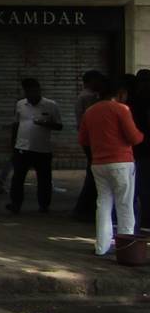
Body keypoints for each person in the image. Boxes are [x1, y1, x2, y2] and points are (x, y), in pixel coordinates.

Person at [79, 73, 143, 257]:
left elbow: (83, 139)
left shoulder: (90, 111)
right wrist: (142, 136)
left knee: (103, 204)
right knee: (124, 205)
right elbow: (133, 137)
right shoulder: (121, 109)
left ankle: (102, 246)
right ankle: (126, 248)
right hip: (122, 163)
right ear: (121, 93)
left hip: (98, 164)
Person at [6, 78, 62, 214]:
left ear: (39, 90)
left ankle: (44, 205)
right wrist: (13, 145)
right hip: (22, 147)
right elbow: (16, 124)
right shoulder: (20, 104)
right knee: (18, 177)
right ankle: (15, 204)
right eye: (28, 92)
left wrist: (45, 123)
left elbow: (59, 125)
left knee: (44, 179)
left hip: (42, 149)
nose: (32, 95)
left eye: (34, 91)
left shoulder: (51, 105)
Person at [71, 70, 105, 222]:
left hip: (87, 139)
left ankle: (83, 208)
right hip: (92, 140)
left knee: (92, 173)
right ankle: (83, 208)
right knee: (94, 175)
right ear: (91, 81)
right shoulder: (89, 97)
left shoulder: (83, 96)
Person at [131, 70, 150, 232]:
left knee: (142, 187)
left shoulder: (134, 101)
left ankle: (145, 219)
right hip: (141, 149)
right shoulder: (136, 101)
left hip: (140, 149)